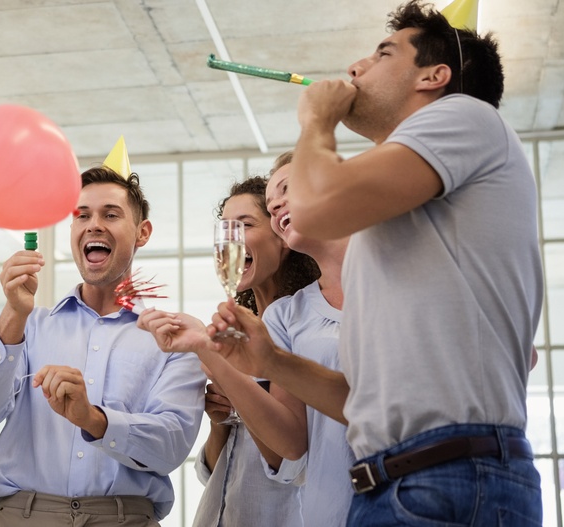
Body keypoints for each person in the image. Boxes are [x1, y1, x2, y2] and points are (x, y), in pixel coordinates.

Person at [211, 1, 543, 523]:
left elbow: (317, 206)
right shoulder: (382, 242)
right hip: (392, 483)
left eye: (382, 53)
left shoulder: (465, 116)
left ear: (435, 76)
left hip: (451, 475)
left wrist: (316, 119)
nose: (355, 69)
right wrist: (272, 362)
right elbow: (358, 401)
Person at [0, 159, 205, 526]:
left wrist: (94, 420)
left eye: (111, 215)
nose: (94, 224)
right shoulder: (31, 325)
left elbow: (170, 446)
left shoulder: (173, 339)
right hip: (23, 516)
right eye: (82, 215)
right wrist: (13, 312)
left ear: (142, 232)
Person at [138, 154, 319, 527]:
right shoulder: (239, 331)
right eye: (224, 228)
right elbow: (212, 469)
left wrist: (221, 370)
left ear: (283, 235)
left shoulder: (306, 325)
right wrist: (220, 419)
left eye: (244, 225)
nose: (229, 239)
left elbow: (288, 459)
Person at [259, 159, 354, 526]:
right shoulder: (285, 316)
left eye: (286, 189)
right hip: (330, 512)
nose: (276, 207)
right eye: (270, 207)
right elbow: (291, 445)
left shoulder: (403, 272)